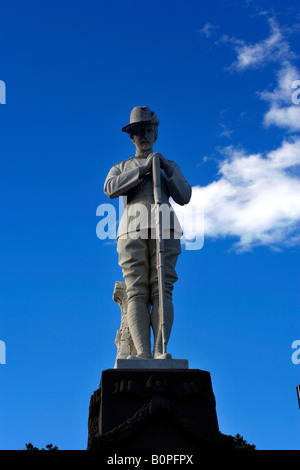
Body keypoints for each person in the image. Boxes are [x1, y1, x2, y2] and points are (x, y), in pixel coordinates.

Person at [104, 106, 191, 359]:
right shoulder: (121, 167)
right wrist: (141, 171)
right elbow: (109, 188)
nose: (144, 135)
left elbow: (184, 195)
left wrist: (165, 169)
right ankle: (142, 353)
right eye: (138, 131)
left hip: (165, 226)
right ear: (131, 137)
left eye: (149, 130)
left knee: (162, 289)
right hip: (132, 227)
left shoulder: (168, 165)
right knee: (136, 290)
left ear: (156, 134)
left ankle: (160, 350)